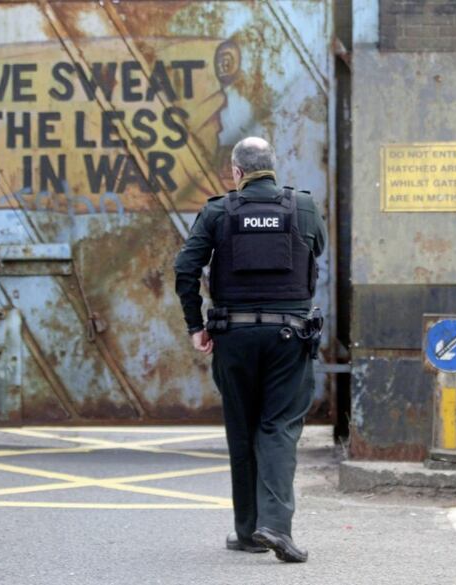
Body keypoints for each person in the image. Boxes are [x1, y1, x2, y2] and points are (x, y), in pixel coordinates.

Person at [173, 136, 326, 563]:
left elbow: (185, 268)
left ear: (237, 173)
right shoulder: (304, 208)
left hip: (233, 337)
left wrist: (195, 326)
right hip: (289, 337)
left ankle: (248, 531)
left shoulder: (219, 211)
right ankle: (275, 525)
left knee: (241, 429)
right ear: (273, 168)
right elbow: (316, 250)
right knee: (277, 427)